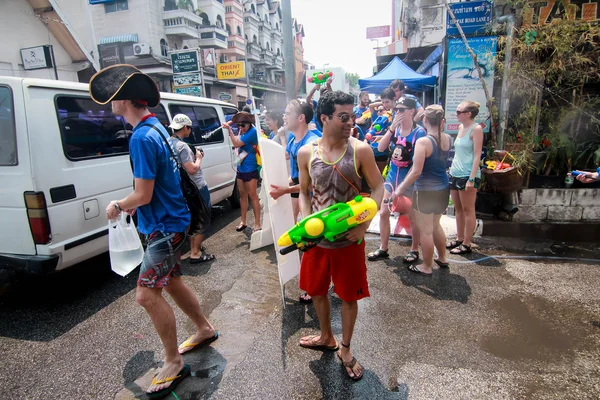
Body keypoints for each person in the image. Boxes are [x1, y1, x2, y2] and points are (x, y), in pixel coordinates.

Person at [93, 65, 217, 399]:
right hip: (168, 222)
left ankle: (173, 361)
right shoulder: (157, 129)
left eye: (115, 97)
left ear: (127, 100)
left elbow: (143, 194)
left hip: (164, 227)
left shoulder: (141, 137)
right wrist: (136, 202)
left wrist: (119, 204)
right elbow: (157, 185)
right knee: (173, 281)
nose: (110, 102)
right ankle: (204, 329)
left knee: (147, 294)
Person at [296, 91, 384, 381]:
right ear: (324, 118)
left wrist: (365, 225)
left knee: (348, 296)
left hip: (349, 240)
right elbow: (304, 191)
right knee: (317, 291)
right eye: (343, 117)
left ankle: (344, 347)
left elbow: (379, 187)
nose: (350, 122)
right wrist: (304, 219)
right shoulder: (307, 153)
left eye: (352, 116)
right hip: (317, 240)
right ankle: (326, 336)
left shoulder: (361, 150)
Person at [269, 100, 320, 304]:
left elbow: (313, 185)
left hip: (314, 196)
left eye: (287, 112)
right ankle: (308, 278)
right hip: (299, 192)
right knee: (297, 235)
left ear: (301, 118)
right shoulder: (292, 140)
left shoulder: (312, 143)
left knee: (313, 240)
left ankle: (316, 286)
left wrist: (285, 190)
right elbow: (296, 176)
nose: (283, 116)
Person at [367, 97, 426, 263]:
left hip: (409, 182)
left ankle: (414, 250)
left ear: (411, 111)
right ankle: (383, 248)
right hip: (392, 178)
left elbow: (417, 165)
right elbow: (380, 147)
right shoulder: (396, 129)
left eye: (401, 110)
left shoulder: (419, 133)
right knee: (384, 212)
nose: (397, 112)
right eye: (396, 109)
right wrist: (392, 129)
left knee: (412, 216)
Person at [395, 105, 451, 275]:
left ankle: (426, 266)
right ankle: (442, 258)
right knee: (435, 226)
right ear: (441, 121)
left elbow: (416, 171)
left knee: (426, 230)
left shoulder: (424, 142)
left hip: (426, 192)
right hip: (443, 189)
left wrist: (399, 190)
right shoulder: (448, 138)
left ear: (425, 120)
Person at [169, 114, 215, 263]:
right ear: (185, 128)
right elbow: (192, 169)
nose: (190, 130)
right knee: (203, 218)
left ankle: (194, 247)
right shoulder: (182, 146)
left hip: (182, 188)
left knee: (192, 218)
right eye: (189, 128)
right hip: (196, 187)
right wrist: (199, 158)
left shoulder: (169, 142)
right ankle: (195, 253)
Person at [447, 101, 483, 255]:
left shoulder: (476, 129)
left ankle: (467, 243)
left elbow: (477, 155)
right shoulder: (461, 127)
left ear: (468, 114)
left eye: (459, 111)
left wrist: (472, 178)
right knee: (458, 209)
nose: (456, 114)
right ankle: (460, 238)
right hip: (455, 172)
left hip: (467, 174)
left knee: (468, 210)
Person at [222, 112, 262, 233]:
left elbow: (236, 143)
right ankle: (243, 221)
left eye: (243, 125)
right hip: (241, 167)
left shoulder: (252, 132)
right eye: (239, 125)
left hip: (250, 168)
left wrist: (229, 129)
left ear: (249, 124)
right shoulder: (243, 132)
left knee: (253, 196)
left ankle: (258, 224)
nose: (241, 127)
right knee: (242, 195)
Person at [366, 88, 395, 172]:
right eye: (383, 102)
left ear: (393, 99)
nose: (385, 105)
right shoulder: (383, 117)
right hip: (379, 148)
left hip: (390, 150)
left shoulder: (396, 113)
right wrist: (381, 137)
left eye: (387, 102)